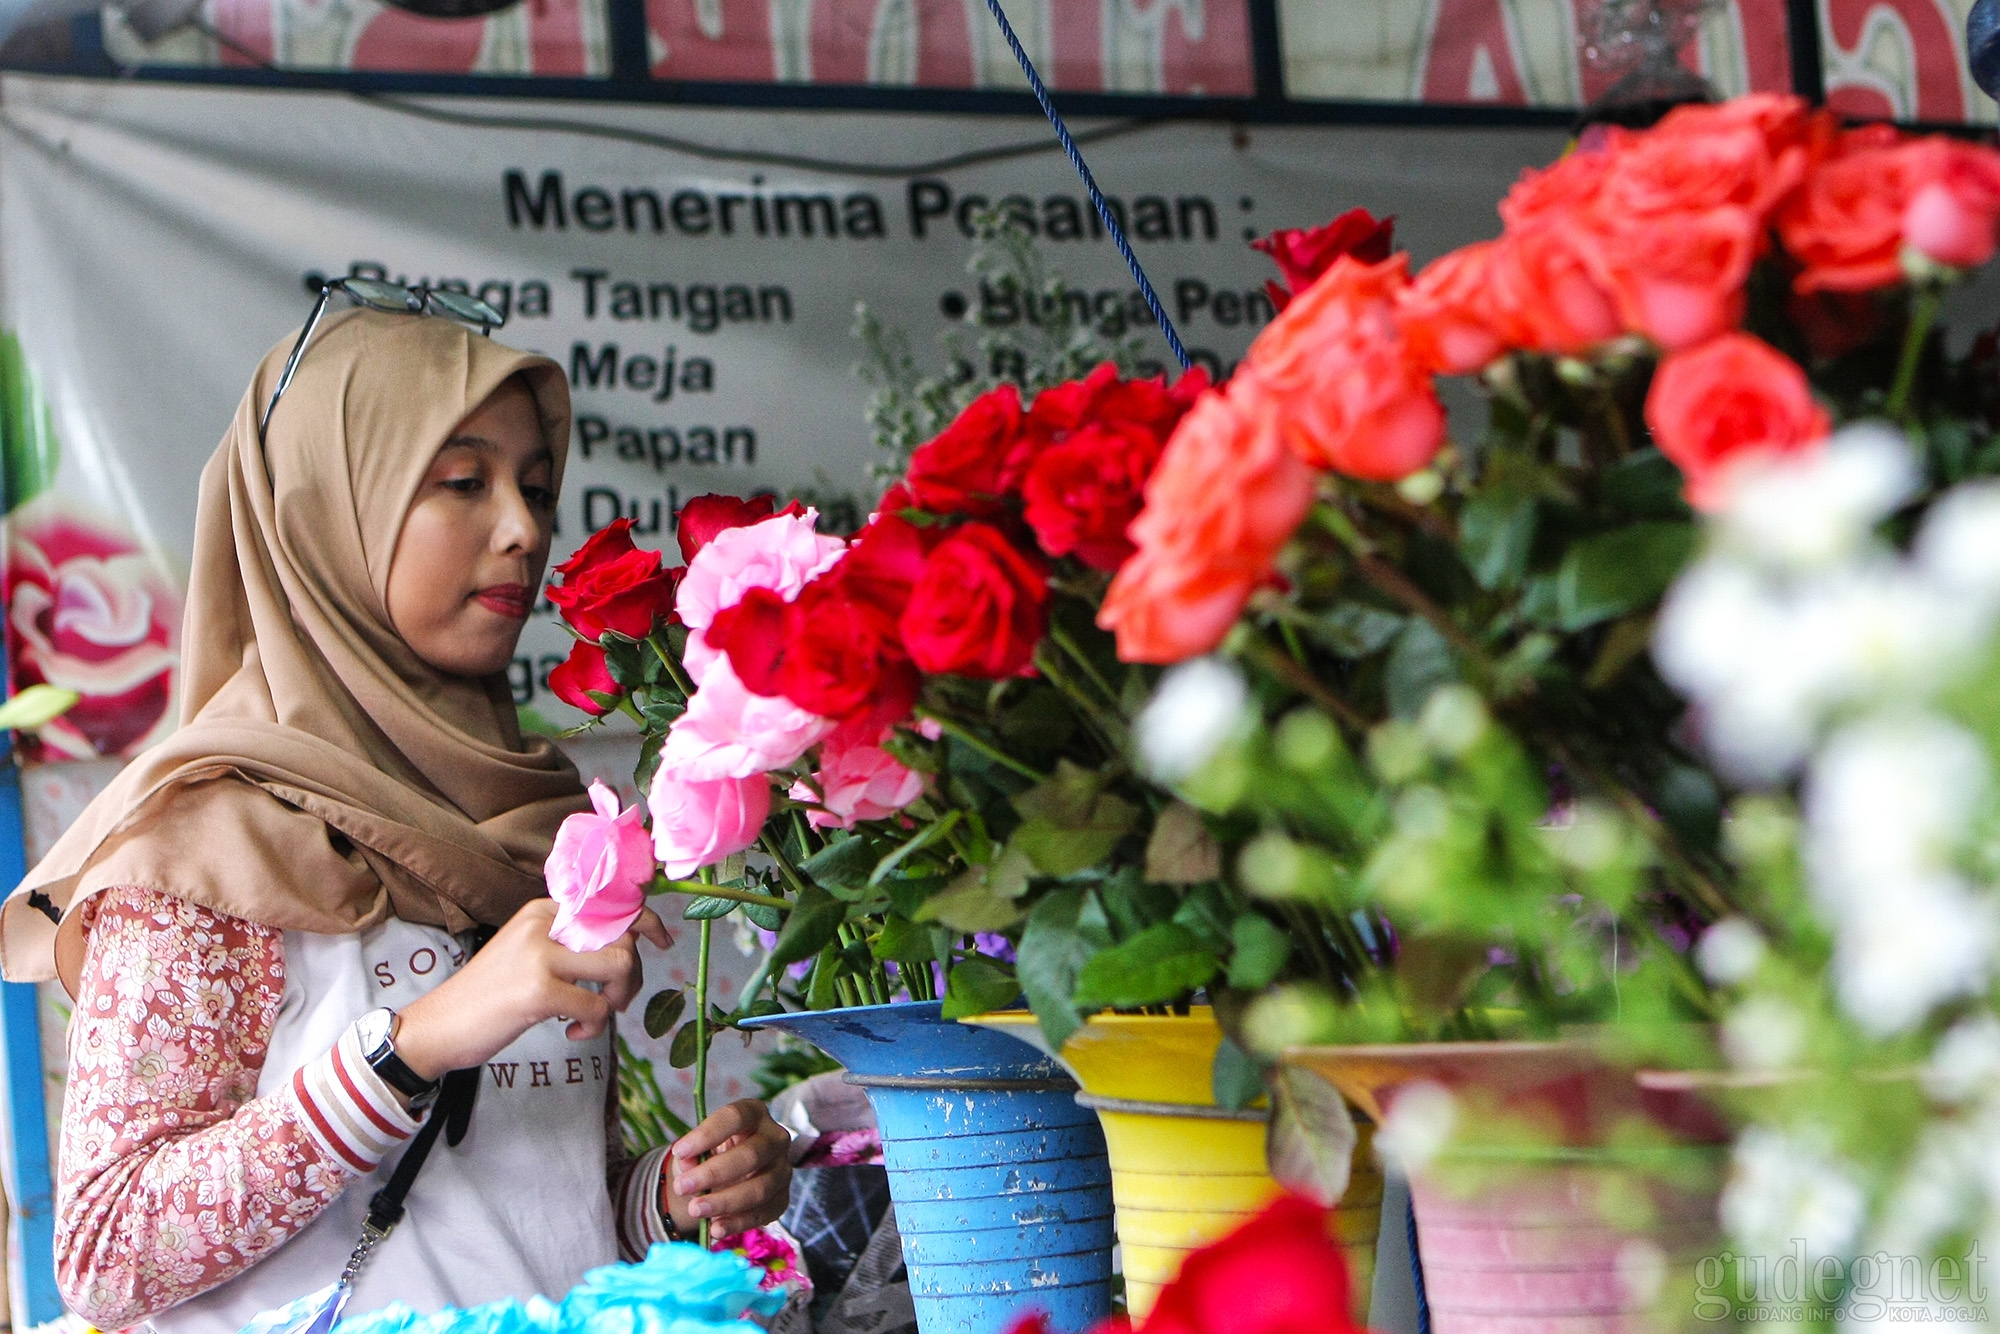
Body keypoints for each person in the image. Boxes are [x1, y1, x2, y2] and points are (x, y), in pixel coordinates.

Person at [0, 306, 792, 1334]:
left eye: (537, 485)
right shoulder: (206, 845)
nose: (522, 526)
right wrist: (412, 1043)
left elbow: (508, 1201)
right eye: (462, 481)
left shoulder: (527, 820)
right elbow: (108, 1251)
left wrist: (665, 1197)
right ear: (329, 509)